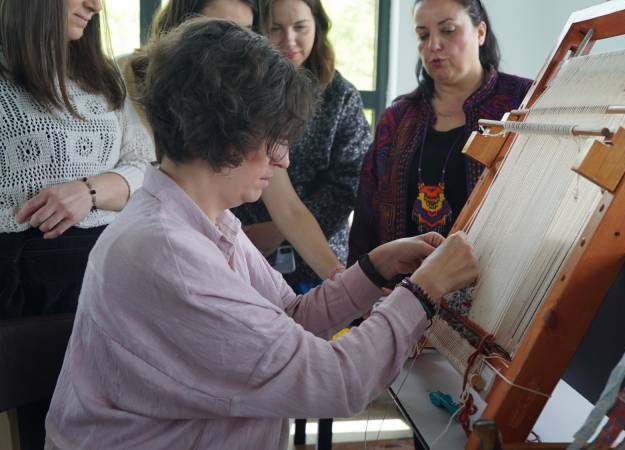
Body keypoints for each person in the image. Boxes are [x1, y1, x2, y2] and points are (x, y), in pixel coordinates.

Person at [44, 18, 479, 450]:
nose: (284, 160)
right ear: (225, 135)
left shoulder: (202, 221)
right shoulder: (167, 252)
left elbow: (289, 316)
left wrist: (374, 270)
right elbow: (337, 381)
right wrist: (424, 290)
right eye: (274, 140)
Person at [0, 0, 154, 447]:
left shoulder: (101, 77)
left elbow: (147, 167)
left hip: (103, 274)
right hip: (21, 282)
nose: (96, 5)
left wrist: (88, 191)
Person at [124, 0, 346, 281]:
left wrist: (342, 279)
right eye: (221, 30)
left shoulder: (240, 106)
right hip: (143, 250)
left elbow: (289, 209)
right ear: (183, 26)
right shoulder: (126, 79)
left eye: (246, 32)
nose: (237, 47)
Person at [348, 0, 532, 265]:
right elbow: (366, 218)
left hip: (498, 279)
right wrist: (363, 279)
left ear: (480, 32)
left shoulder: (523, 102)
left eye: (448, 30)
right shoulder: (398, 118)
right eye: (423, 35)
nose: (433, 45)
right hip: (402, 286)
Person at [233, 0, 371, 291]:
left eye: (300, 27)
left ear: (318, 27)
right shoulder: (244, 92)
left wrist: (279, 230)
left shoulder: (340, 96)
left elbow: (350, 182)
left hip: (319, 251)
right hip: (245, 244)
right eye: (275, 28)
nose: (289, 40)